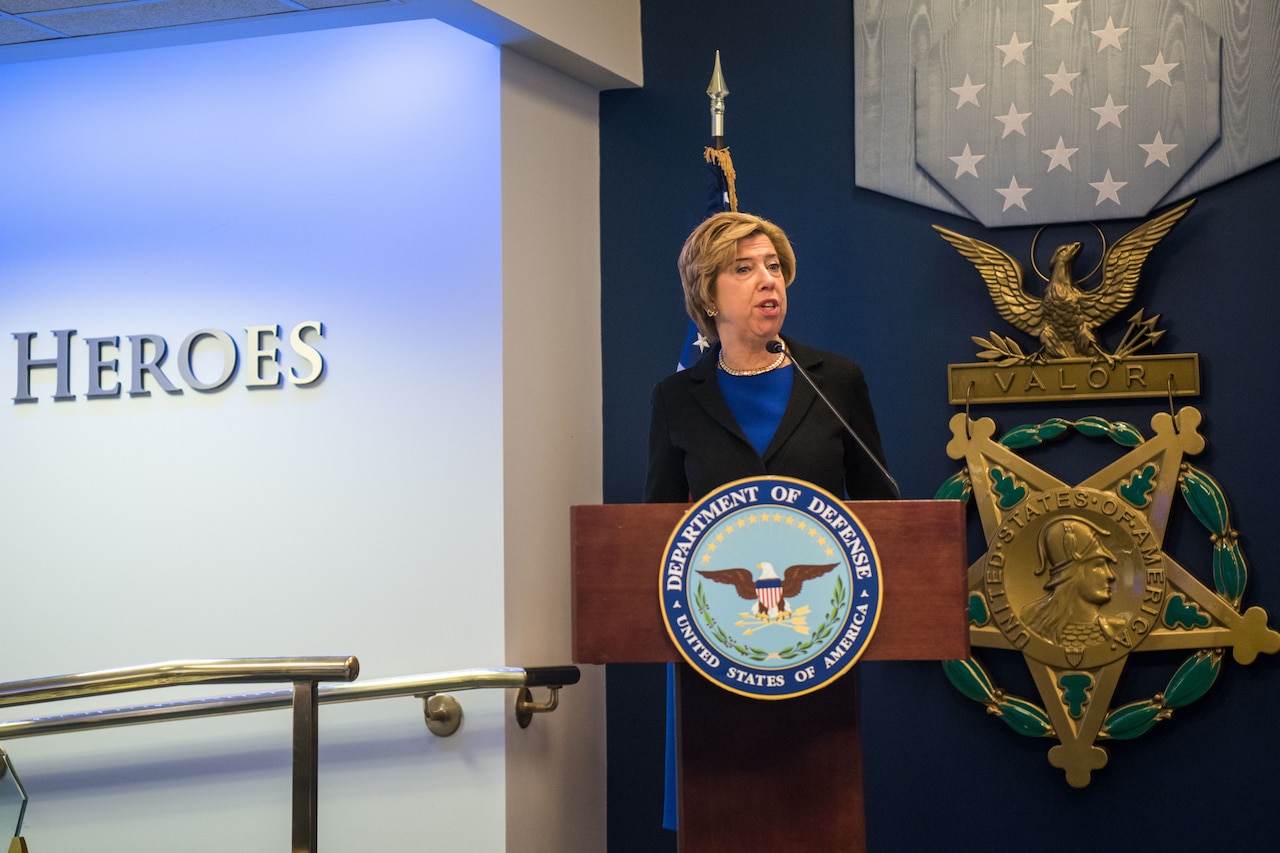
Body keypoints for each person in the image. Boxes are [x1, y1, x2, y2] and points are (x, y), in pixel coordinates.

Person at [645, 210, 895, 503]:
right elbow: (659, 527)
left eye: (774, 266)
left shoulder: (837, 381)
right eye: (743, 269)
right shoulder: (675, 400)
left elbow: (881, 507)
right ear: (708, 297)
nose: (768, 280)